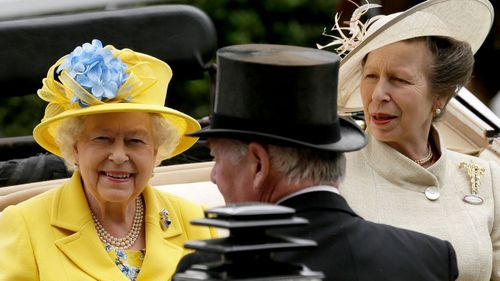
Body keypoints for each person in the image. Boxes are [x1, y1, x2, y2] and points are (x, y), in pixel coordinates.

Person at [175, 43, 459, 281]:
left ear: (259, 164)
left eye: (216, 159)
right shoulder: (429, 258)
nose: (214, 176)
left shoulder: (212, 270)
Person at [0, 39, 216, 281]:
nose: (119, 156)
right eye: (102, 138)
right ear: (75, 148)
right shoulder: (25, 225)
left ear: (155, 152)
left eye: (135, 141)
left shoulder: (196, 221)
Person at [317, 0, 500, 280]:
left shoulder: (487, 178)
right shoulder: (330, 174)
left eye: (399, 80)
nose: (378, 94)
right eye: (371, 76)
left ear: (440, 95)